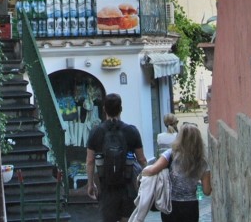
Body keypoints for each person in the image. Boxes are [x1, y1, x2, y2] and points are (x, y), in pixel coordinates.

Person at [86, 93, 148, 222]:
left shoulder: (96, 132)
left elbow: (90, 161)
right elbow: (142, 160)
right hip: (128, 186)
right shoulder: (132, 131)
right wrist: (147, 181)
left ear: (104, 109)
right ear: (121, 109)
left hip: (106, 186)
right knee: (127, 219)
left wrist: (90, 183)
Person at [139, 123, 212, 222]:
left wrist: (140, 174)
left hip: (170, 205)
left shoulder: (170, 154)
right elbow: (207, 192)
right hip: (191, 207)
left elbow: (151, 171)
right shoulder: (202, 162)